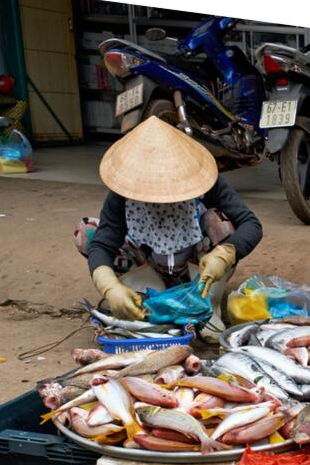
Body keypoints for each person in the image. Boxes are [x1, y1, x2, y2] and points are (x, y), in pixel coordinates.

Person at [79, 116, 263, 343]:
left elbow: (251, 225)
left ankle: (207, 306)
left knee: (220, 222)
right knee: (87, 232)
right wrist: (109, 287)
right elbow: (102, 243)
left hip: (197, 271)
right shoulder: (123, 192)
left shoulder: (206, 180)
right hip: (148, 266)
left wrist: (224, 254)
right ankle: (147, 296)